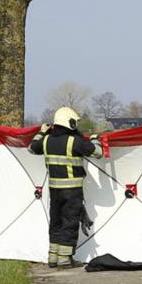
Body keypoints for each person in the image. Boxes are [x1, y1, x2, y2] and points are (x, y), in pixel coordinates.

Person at [29, 107, 97, 268]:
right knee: (70, 223)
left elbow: (31, 147)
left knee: (56, 222)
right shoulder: (75, 141)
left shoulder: (45, 140)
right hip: (72, 191)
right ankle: (65, 260)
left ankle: (53, 258)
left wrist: (41, 132)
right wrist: (95, 139)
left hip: (54, 190)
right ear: (70, 122)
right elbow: (98, 152)